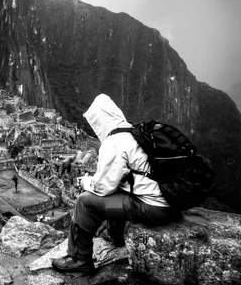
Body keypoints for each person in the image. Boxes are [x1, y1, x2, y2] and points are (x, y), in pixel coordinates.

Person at [51, 94, 181, 274]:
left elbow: (103, 187)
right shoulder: (135, 132)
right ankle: (116, 236)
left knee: (85, 201)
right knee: (117, 194)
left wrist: (86, 182)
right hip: (171, 201)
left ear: (99, 121)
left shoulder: (114, 143)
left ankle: (79, 258)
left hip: (154, 207)